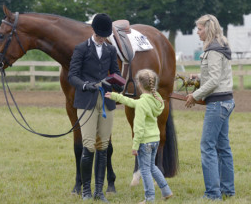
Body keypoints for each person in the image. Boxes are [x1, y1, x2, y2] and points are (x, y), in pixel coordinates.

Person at [68, 13, 122, 203]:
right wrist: (85, 85)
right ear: (94, 31)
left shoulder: (110, 50)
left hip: (106, 100)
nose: (101, 38)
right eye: (99, 35)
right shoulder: (81, 48)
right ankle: (86, 190)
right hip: (87, 100)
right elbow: (72, 75)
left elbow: (115, 71)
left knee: (103, 145)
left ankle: (99, 191)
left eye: (104, 36)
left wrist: (118, 82)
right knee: (89, 144)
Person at [185, 14, 235, 200]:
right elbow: (216, 75)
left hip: (217, 104)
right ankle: (228, 191)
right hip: (227, 101)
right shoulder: (221, 45)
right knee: (223, 148)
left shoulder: (213, 50)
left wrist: (194, 95)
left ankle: (213, 194)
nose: (197, 32)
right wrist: (198, 78)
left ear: (208, 28)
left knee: (207, 147)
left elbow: (214, 80)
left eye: (199, 29)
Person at [105, 69, 173, 204]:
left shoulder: (142, 103)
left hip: (145, 142)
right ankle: (166, 191)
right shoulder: (155, 99)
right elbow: (131, 102)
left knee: (145, 170)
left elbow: (139, 128)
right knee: (152, 167)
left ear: (139, 85)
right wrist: (115, 96)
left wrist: (135, 146)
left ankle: (149, 198)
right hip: (155, 140)